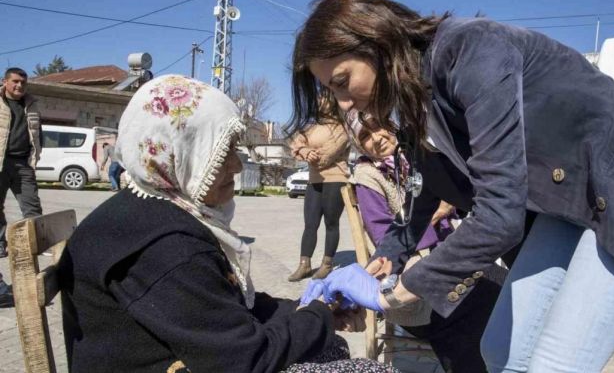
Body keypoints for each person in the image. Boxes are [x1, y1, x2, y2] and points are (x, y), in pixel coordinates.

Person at [289, 0, 614, 372]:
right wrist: (389, 255)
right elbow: (430, 185)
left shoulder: (471, 50)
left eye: (342, 82)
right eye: (332, 90)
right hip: (571, 207)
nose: (345, 102)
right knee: (500, 350)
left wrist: (393, 294)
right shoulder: (416, 96)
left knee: (553, 366)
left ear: (376, 41)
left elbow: (500, 213)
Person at [58, 75, 396, 373]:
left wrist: (309, 310)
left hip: (193, 354)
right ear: (177, 153)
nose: (236, 166)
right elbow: (247, 361)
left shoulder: (154, 206)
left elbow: (223, 304)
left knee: (328, 344)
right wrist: (319, 314)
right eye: (220, 154)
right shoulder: (165, 245)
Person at [347, 112, 508, 372]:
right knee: (475, 305)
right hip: (413, 279)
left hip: (446, 261)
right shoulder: (368, 177)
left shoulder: (410, 158)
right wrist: (436, 214)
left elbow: (453, 207)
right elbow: (387, 239)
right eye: (365, 135)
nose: (376, 138)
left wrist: (445, 208)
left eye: (379, 126)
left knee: (503, 284)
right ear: (357, 144)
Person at [287, 106, 350, 281]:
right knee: (310, 224)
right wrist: (306, 151)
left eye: (324, 98)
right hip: (314, 181)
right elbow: (296, 145)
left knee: (331, 223)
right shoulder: (310, 127)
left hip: (336, 179)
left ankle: (326, 265)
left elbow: (327, 156)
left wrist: (310, 153)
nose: (320, 102)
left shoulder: (342, 127)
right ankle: (304, 265)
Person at [0, 67, 43, 259]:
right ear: (5, 82)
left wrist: (35, 157)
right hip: (1, 163)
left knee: (32, 208)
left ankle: (36, 245)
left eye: (23, 82)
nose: (19, 85)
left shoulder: (32, 104)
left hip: (23, 164)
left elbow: (37, 133)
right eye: (15, 81)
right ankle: (1, 244)